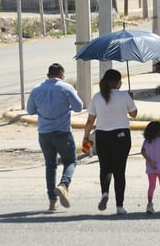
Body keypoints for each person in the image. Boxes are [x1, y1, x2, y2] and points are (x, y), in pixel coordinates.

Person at [27, 63, 83, 211]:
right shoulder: (66, 88)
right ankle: (64, 185)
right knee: (70, 161)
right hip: (63, 132)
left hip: (44, 133)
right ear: (61, 75)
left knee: (50, 166)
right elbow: (78, 106)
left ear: (48, 75)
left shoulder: (36, 90)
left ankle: (53, 201)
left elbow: (30, 110)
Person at [83, 69, 138, 214]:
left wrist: (86, 136)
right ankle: (120, 206)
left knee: (105, 168)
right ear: (118, 83)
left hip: (102, 136)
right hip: (122, 136)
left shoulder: (97, 97)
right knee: (120, 171)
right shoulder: (124, 96)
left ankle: (105, 193)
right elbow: (134, 114)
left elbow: (90, 120)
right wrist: (131, 99)